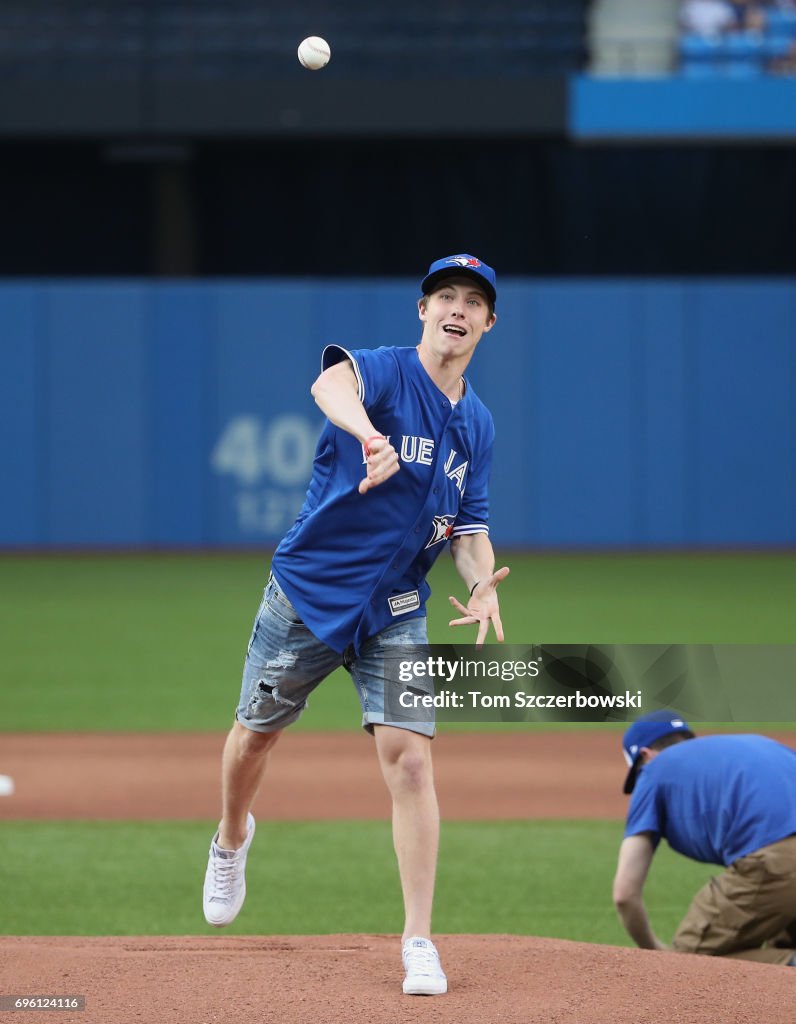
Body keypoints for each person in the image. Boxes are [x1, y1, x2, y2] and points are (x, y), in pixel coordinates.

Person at [202, 253, 510, 996]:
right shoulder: (383, 372)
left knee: (410, 760)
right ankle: (231, 838)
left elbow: (468, 529)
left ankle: (419, 941)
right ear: (422, 310)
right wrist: (369, 433)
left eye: (472, 300)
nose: (456, 308)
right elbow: (328, 382)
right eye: (444, 296)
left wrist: (483, 585)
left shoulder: (477, 424)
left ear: (488, 322)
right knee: (254, 737)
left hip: (396, 608)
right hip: (308, 596)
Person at [613, 710, 796, 965]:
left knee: (691, 964)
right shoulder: (758, 745)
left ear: (645, 755)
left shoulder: (653, 771)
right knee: (783, 937)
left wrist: (654, 951)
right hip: (780, 867)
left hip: (778, 861)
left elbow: (625, 893)